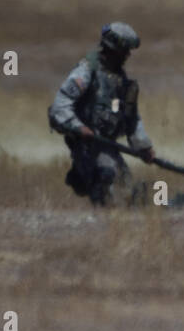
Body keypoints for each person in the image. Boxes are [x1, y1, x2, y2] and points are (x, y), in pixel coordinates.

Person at [48, 21, 154, 206]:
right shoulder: (86, 71)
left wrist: (143, 146)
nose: (128, 55)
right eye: (125, 50)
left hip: (107, 146)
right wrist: (79, 127)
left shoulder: (120, 80)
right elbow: (61, 105)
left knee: (127, 188)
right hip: (86, 146)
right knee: (109, 181)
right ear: (113, 49)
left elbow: (131, 118)